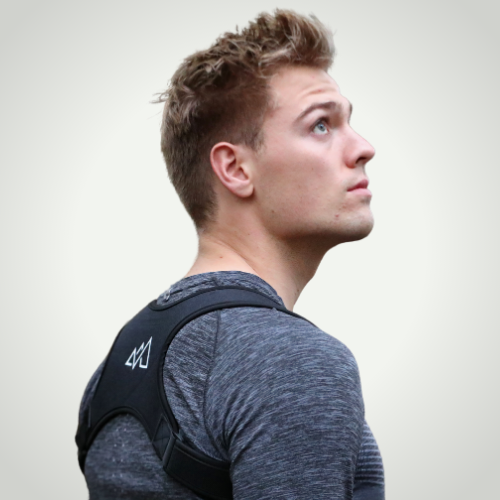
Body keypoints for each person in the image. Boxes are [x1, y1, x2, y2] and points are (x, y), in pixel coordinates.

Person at [77, 9, 385, 500]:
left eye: (349, 122)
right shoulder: (291, 361)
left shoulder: (120, 362)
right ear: (236, 169)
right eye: (321, 125)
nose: (364, 148)